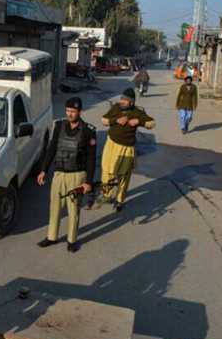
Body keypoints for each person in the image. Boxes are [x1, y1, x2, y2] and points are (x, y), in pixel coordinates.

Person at [37, 97, 96, 253]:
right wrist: (43, 169)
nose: (69, 114)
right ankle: (52, 236)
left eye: (73, 111)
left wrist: (88, 182)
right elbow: (51, 149)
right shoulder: (59, 126)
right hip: (59, 174)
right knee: (55, 206)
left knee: (73, 209)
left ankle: (72, 240)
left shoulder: (88, 131)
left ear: (79, 112)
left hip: (77, 175)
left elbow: (91, 158)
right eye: (68, 111)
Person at [100, 88, 156, 212]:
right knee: (107, 171)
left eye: (125, 100)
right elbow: (103, 120)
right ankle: (107, 194)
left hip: (126, 148)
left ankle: (120, 200)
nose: (122, 101)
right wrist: (116, 120)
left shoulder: (137, 112)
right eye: (121, 98)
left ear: (131, 102)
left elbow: (152, 123)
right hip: (111, 145)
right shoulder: (116, 108)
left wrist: (139, 121)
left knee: (123, 176)